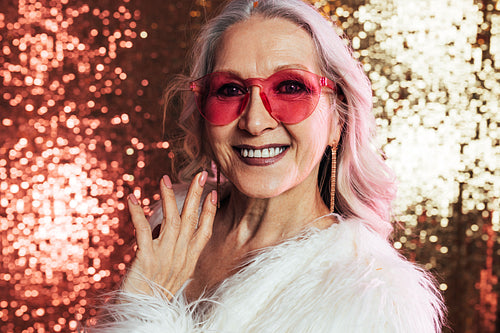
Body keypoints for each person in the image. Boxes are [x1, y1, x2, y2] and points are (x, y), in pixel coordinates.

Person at [90, 0, 446, 331]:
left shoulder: (374, 296)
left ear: (338, 118)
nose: (255, 121)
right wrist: (136, 305)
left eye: (290, 87)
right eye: (230, 90)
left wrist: (144, 311)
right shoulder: (173, 231)